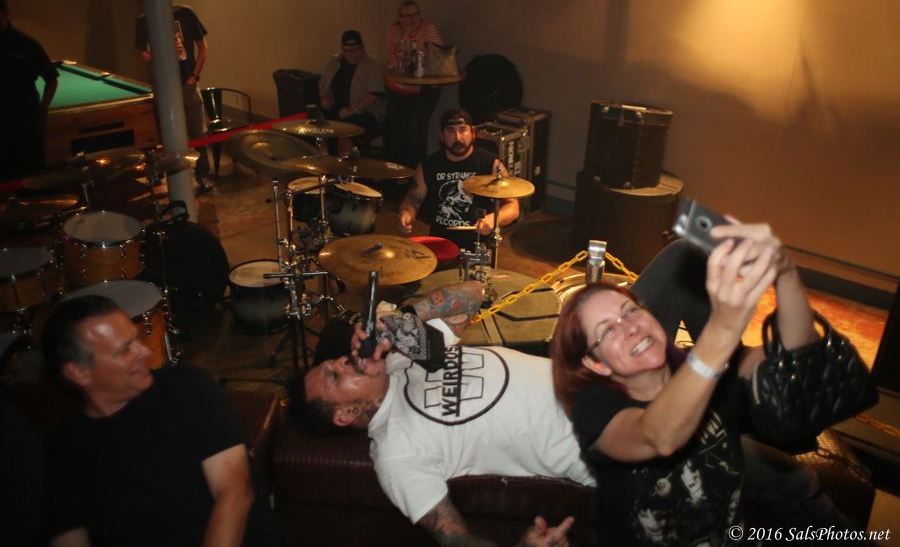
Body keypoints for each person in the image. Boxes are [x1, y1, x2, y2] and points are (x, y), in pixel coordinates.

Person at [549, 223, 854, 545]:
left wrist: (786, 273)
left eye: (632, 311)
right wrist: (721, 332)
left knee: (799, 482)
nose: (630, 328)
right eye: (607, 330)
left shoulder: (697, 371)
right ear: (594, 363)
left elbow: (797, 347)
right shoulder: (595, 404)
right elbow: (658, 437)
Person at [295, 280, 585, 547]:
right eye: (334, 376)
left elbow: (473, 293)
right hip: (588, 437)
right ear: (346, 414)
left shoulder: (400, 358)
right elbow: (457, 540)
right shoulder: (396, 455)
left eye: (336, 361)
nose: (343, 361)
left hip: (590, 379)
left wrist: (399, 320)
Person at [41, 295, 278, 546]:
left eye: (136, 339)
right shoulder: (64, 452)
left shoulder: (187, 388)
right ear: (79, 372)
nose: (144, 351)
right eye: (125, 350)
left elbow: (235, 492)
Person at [398, 107, 519, 252]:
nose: (457, 137)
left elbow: (513, 206)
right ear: (441, 135)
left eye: (463, 130)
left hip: (478, 246)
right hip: (440, 244)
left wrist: (494, 219)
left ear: (473, 132)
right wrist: (406, 213)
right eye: (450, 131)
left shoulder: (491, 164)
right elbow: (413, 198)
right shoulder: (429, 165)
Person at [133, 0, 213, 192]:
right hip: (162, 85)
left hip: (187, 82)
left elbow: (203, 48)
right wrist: (155, 59)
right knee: (163, 133)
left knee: (197, 131)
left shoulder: (185, 13)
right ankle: (163, 173)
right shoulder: (143, 21)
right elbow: (143, 52)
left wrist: (194, 76)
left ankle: (203, 174)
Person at [0, 0, 58, 181]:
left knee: (32, 171)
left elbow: (51, 78)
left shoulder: (26, 44)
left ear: (5, 13)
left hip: (25, 115)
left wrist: (43, 108)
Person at [384, 0, 443, 169]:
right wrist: (405, 35)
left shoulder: (428, 29)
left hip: (420, 89)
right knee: (395, 132)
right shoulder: (394, 30)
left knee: (415, 133)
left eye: (415, 14)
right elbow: (393, 58)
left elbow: (439, 54)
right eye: (406, 16)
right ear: (400, 18)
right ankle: (394, 171)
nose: (411, 19)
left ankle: (414, 171)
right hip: (396, 87)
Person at [318, 29, 384, 156]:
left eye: (356, 50)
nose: (352, 54)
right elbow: (323, 85)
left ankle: (346, 160)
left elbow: (375, 93)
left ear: (362, 48)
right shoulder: (334, 62)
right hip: (338, 108)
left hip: (365, 112)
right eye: (348, 51)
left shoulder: (373, 64)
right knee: (319, 124)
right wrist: (325, 97)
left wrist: (353, 109)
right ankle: (324, 158)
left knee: (349, 132)